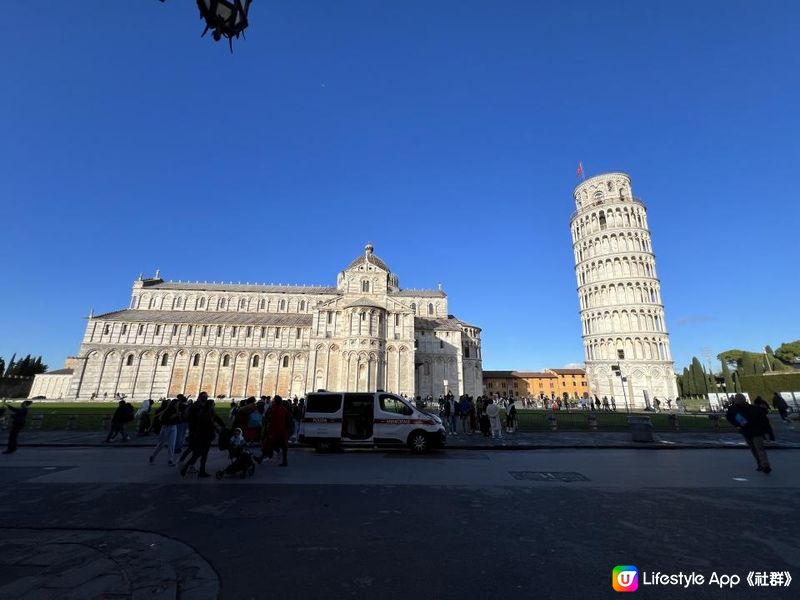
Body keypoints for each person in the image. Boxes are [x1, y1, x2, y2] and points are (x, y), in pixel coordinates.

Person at [725, 393, 773, 474]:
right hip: (756, 431)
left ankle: (761, 464)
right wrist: (767, 431)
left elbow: (729, 417)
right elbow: (764, 417)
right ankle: (764, 464)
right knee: (760, 449)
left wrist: (737, 425)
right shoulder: (754, 408)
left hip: (746, 431)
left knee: (754, 449)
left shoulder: (734, 410)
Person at [181, 400, 225, 478]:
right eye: (213, 405)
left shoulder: (204, 413)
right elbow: (210, 424)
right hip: (205, 437)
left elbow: (217, 420)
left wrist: (220, 426)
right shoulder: (206, 415)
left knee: (198, 454)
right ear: (211, 406)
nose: (214, 406)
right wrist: (218, 429)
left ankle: (193, 468)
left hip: (201, 436)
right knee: (202, 454)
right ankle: (199, 470)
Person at [149, 399, 180, 466]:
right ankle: (153, 456)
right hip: (166, 427)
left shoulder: (176, 410)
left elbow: (178, 419)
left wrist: (177, 414)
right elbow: (163, 419)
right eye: (177, 403)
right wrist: (174, 416)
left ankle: (170, 460)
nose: (178, 405)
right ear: (174, 404)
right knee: (161, 444)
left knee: (172, 444)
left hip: (173, 427)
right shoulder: (167, 410)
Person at [267, 396, 292, 466]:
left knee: (271, 443)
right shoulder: (284, 409)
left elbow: (271, 420)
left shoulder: (274, 409)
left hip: (276, 431)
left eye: (274, 400)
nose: (273, 401)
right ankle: (284, 461)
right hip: (283, 431)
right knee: (283, 447)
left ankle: (275, 453)